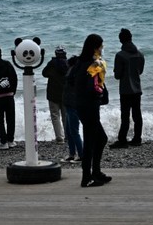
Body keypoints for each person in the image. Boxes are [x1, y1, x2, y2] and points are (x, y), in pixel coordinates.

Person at [75, 33, 111, 187]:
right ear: (96, 48)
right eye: (101, 46)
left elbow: (72, 81)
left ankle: (95, 172)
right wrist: (100, 93)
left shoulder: (79, 62)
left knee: (100, 138)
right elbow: (93, 86)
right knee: (91, 141)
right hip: (90, 106)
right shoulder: (93, 64)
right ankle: (86, 177)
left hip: (82, 105)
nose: (102, 49)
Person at [111, 28, 144, 148]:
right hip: (137, 88)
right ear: (131, 38)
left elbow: (117, 75)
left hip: (125, 90)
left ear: (121, 40)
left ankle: (122, 140)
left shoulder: (120, 55)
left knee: (125, 116)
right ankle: (137, 138)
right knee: (137, 115)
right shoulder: (140, 54)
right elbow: (140, 71)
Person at [41, 46, 69, 143]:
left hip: (53, 93)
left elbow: (44, 73)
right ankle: (67, 136)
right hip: (65, 94)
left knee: (55, 115)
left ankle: (59, 137)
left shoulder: (52, 63)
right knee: (66, 116)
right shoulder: (68, 64)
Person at [61, 56, 83, 164]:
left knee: (74, 131)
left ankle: (81, 154)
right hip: (69, 105)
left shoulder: (75, 74)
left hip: (72, 105)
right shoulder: (72, 72)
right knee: (69, 131)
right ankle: (72, 154)